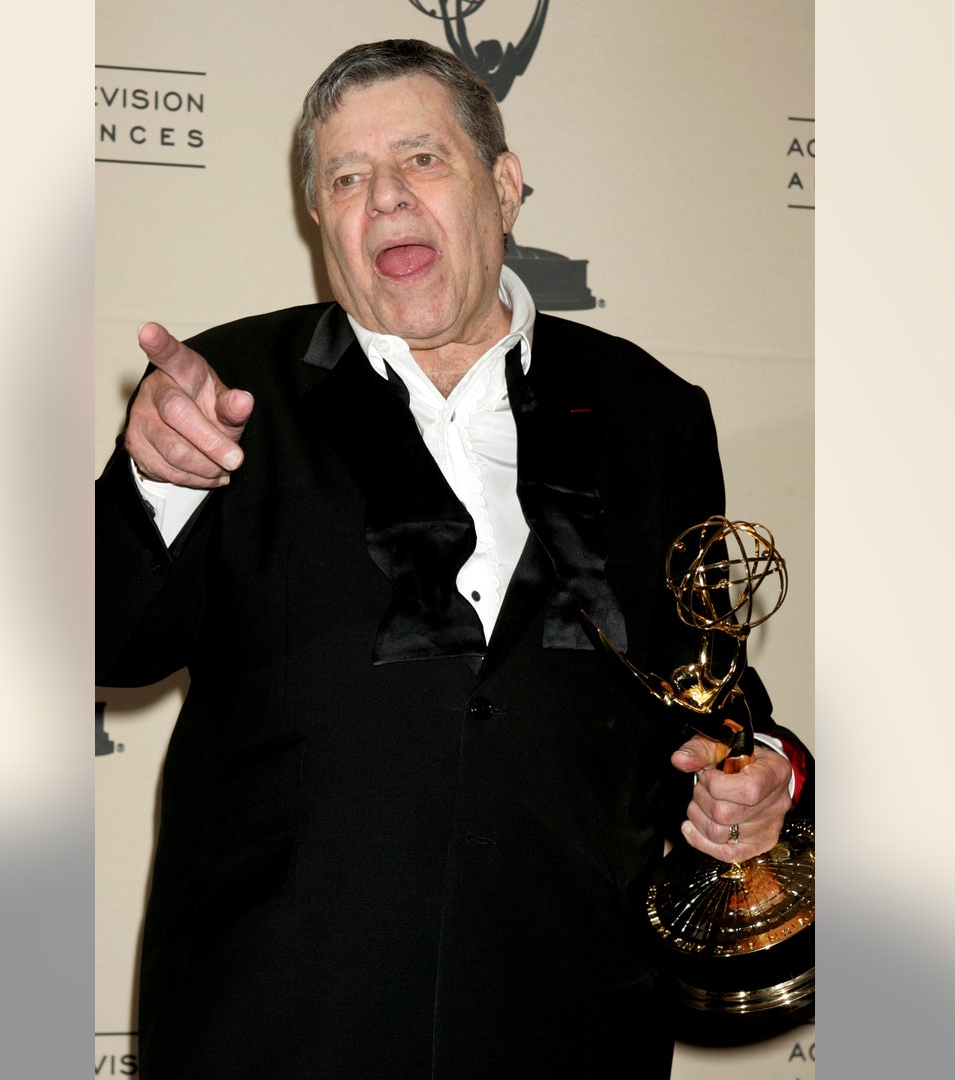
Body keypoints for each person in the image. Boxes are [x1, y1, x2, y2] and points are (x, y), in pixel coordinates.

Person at [97, 38, 810, 1079]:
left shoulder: (649, 413)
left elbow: (708, 690)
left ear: (505, 186)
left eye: (420, 160)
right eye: (346, 177)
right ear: (320, 221)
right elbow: (111, 638)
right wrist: (155, 478)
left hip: (566, 1020)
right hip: (281, 1027)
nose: (383, 198)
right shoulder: (224, 391)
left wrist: (759, 775)